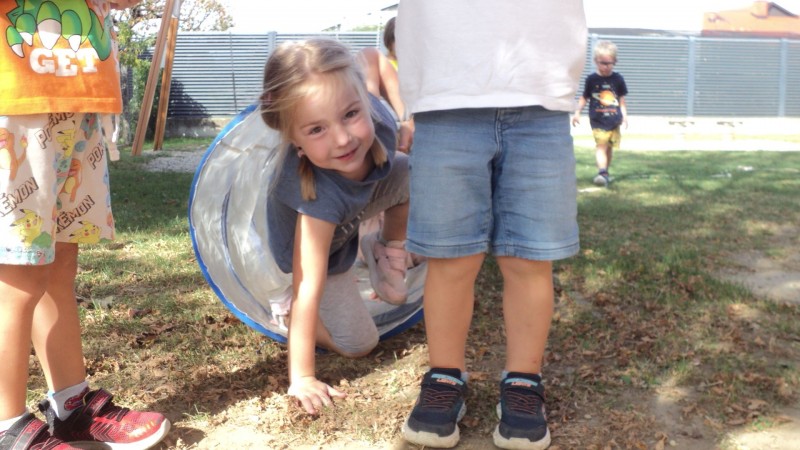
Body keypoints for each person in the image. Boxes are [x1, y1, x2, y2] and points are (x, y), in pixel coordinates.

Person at [394, 2, 587, 449]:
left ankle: (523, 381)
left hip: (541, 99)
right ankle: (445, 377)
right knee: (450, 258)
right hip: (445, 97)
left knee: (529, 258)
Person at [0, 1, 170, 449]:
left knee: (58, 263)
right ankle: (5, 424)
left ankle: (71, 405)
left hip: (78, 92)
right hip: (15, 94)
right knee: (17, 272)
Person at [259, 38, 413, 415]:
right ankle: (289, 316)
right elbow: (308, 285)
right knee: (359, 344)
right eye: (316, 130)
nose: (343, 139)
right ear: (294, 140)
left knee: (409, 170)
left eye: (350, 114)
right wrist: (303, 376)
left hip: (353, 217)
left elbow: (372, 60)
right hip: (321, 256)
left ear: (364, 100)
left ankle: (385, 247)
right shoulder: (317, 197)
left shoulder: (379, 123)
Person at [572, 40, 629, 187]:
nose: (606, 66)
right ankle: (602, 172)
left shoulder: (618, 79)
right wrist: (577, 112)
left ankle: (605, 173)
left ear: (615, 62)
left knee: (609, 148)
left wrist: (624, 116)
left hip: (614, 120)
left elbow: (621, 99)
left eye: (609, 63)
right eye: (602, 63)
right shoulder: (592, 79)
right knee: (601, 146)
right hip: (598, 120)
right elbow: (585, 97)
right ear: (596, 61)